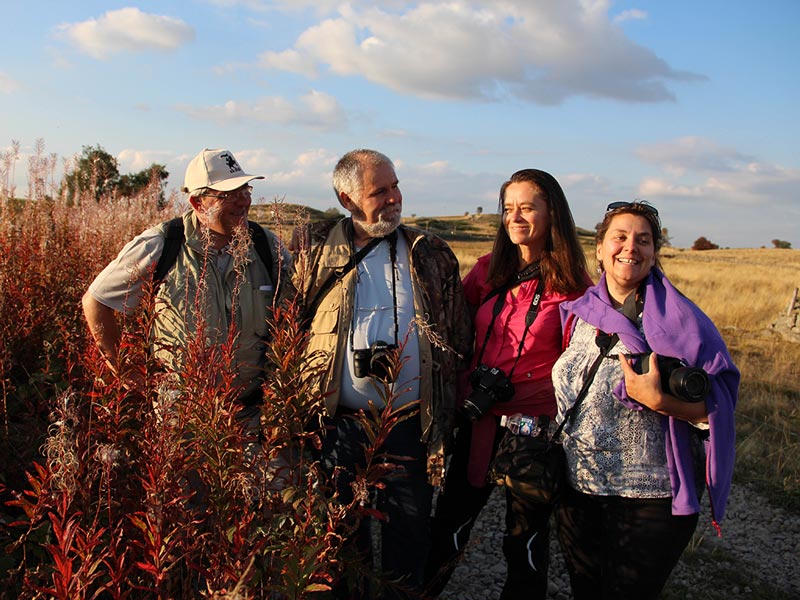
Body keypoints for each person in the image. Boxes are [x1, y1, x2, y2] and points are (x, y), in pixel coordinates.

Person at [288, 149, 472, 599]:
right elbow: (283, 327)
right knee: (338, 542)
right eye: (379, 191)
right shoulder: (312, 249)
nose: (394, 198)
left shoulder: (430, 253)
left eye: (395, 186)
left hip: (409, 426)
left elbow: (458, 340)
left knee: (407, 539)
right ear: (346, 199)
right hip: (336, 427)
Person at [551, 201, 739, 600]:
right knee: (586, 591)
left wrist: (662, 401)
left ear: (655, 253)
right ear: (600, 248)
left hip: (651, 498)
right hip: (579, 488)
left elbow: (719, 407)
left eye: (643, 240)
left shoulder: (683, 320)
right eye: (619, 237)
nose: (630, 248)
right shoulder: (578, 313)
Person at [425, 168, 590, 599]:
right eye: (509, 208)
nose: (515, 217)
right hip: (477, 417)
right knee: (451, 523)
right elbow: (454, 326)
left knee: (526, 539)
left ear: (552, 213)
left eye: (527, 208)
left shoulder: (573, 289)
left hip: (534, 429)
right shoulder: (489, 271)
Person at [82, 147, 290, 471]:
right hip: (181, 423)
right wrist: (125, 372)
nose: (243, 201)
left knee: (259, 507)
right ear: (197, 203)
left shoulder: (268, 248)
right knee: (186, 514)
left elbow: (292, 320)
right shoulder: (161, 245)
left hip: (252, 417)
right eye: (229, 194)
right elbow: (96, 301)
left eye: (245, 190)